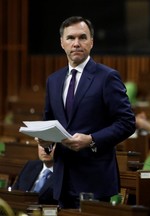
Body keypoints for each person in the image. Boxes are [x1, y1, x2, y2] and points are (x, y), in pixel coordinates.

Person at [36, 16, 135, 208]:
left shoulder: (107, 77)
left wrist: (91, 139)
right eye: (71, 38)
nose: (76, 43)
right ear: (62, 43)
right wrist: (46, 142)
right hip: (63, 179)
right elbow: (49, 121)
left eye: (82, 37)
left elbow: (127, 123)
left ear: (91, 42)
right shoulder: (53, 80)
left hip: (95, 179)